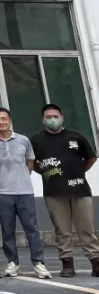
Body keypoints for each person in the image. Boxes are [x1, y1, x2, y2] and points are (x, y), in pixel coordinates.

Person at [30, 103, 99, 278]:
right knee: (62, 230)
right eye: (48, 117)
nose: (52, 120)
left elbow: (91, 157)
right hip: (54, 192)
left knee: (87, 229)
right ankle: (67, 264)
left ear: (62, 118)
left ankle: (96, 262)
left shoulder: (76, 136)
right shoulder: (36, 140)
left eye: (55, 116)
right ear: (43, 120)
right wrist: (46, 172)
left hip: (80, 190)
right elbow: (32, 163)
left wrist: (79, 171)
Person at [0, 108, 52, 279]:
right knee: (7, 230)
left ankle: (38, 263)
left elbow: (30, 162)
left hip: (25, 191)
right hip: (3, 192)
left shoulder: (23, 140)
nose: (1, 122)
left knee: (32, 229)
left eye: (4, 119)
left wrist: (22, 176)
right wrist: (1, 178)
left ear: (10, 121)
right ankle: (13, 263)